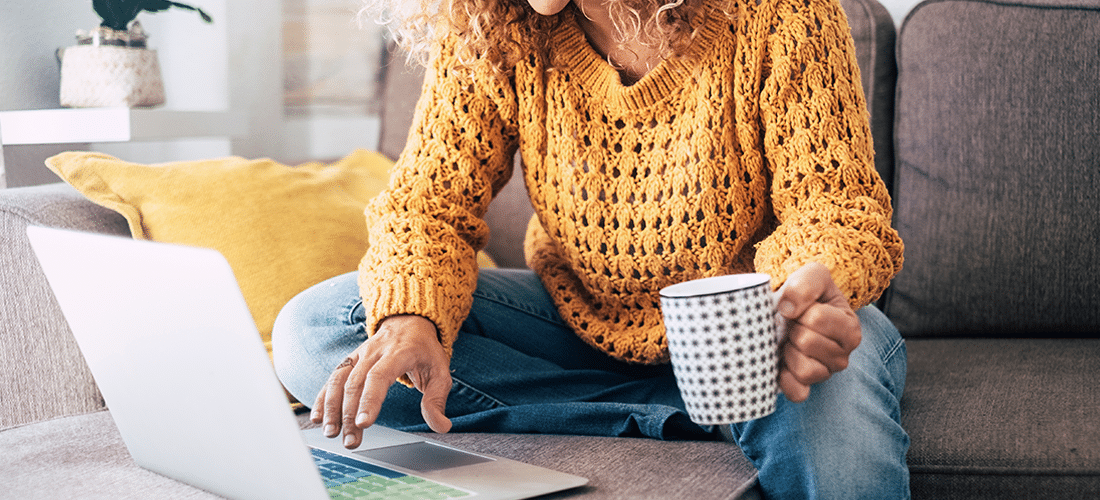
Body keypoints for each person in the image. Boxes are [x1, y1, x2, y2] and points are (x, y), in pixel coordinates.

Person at [273, 0, 910, 497]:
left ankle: (719, 402)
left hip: (751, 332)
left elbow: (836, 208)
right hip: (577, 323)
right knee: (317, 329)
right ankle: (693, 413)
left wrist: (798, 303)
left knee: (831, 410)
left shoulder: (783, 13)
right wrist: (412, 317)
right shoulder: (495, 25)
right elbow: (427, 204)